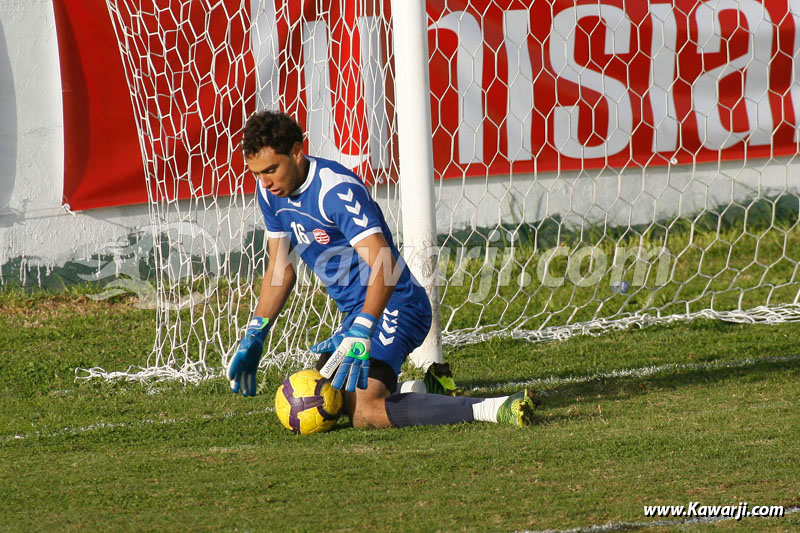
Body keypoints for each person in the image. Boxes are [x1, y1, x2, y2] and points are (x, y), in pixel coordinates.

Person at [226, 110, 537, 428]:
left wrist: (363, 329)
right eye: (257, 174)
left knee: (365, 412)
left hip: (395, 305)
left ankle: (493, 407)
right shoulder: (270, 194)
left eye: (271, 170)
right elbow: (280, 269)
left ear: (296, 151)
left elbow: (384, 265)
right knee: (329, 395)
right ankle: (424, 391)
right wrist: (255, 334)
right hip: (358, 314)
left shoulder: (335, 192)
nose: (264, 182)